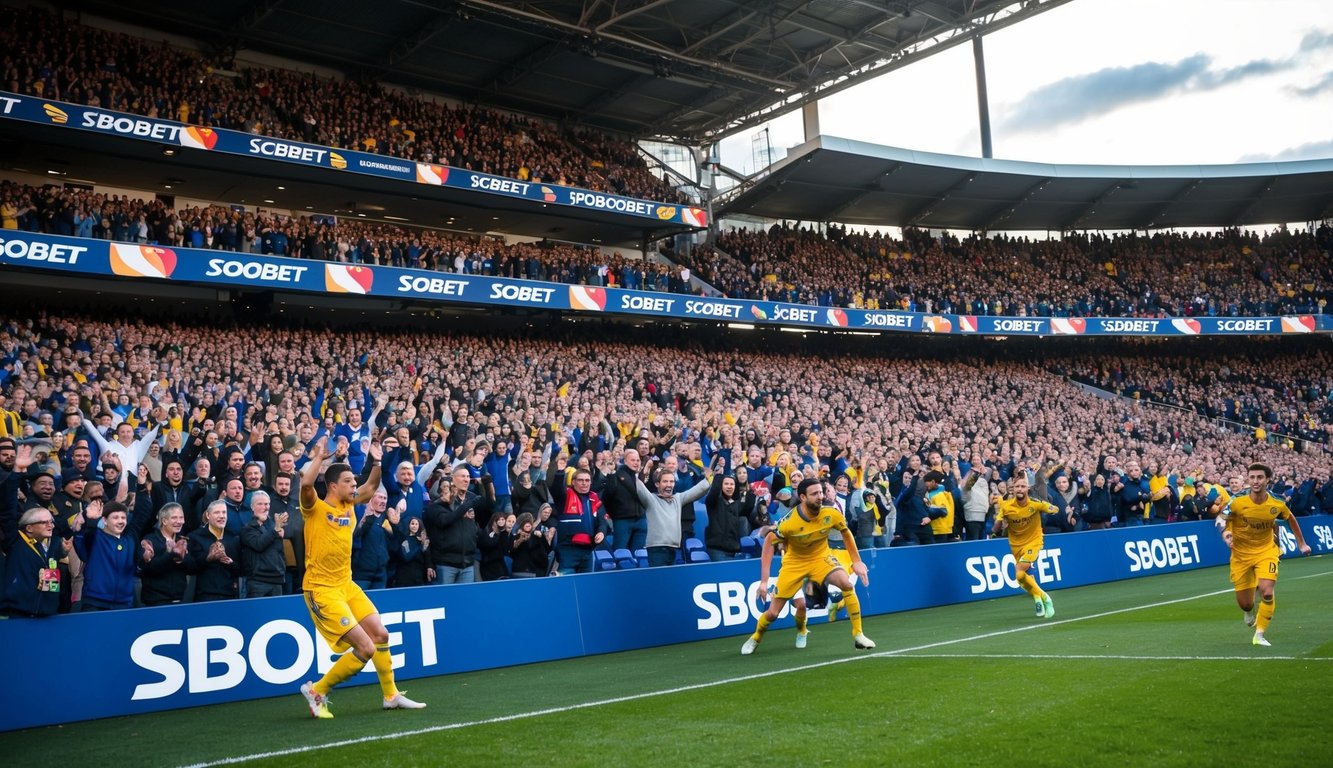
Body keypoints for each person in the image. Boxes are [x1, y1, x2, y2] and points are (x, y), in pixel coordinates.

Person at [297, 436, 425, 717]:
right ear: (332, 485)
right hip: (321, 589)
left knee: (380, 634)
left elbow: (370, 485)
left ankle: (390, 695)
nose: (354, 484)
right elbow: (306, 485)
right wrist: (319, 457)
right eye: (347, 481)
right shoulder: (315, 508)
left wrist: (377, 461)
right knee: (365, 648)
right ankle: (317, 690)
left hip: (346, 584)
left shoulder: (350, 505)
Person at [741, 478, 874, 655]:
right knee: (772, 613)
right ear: (803, 497)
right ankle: (756, 637)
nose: (820, 497)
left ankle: (858, 635)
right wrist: (764, 581)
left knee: (847, 584)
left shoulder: (831, 513)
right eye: (814, 494)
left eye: (821, 492)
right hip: (794, 564)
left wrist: (856, 561)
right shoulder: (789, 522)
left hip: (821, 558)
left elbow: (845, 532)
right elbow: (769, 542)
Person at [1215, 462, 1313, 647]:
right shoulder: (1237, 501)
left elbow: (1291, 519)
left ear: (1267, 480)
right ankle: (1249, 610)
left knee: (1267, 591)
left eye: (1259, 477)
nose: (1255, 481)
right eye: (1252, 477)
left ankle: (1259, 635)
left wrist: (1302, 543)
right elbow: (1221, 518)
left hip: (1266, 550)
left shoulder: (1277, 502)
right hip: (1241, 555)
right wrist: (1226, 534)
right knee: (1245, 604)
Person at [991, 475, 1060, 618]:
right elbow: (996, 527)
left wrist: (1052, 508)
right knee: (1020, 578)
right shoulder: (1006, 506)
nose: (1020, 489)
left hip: (1033, 542)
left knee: (1020, 569)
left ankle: (1046, 598)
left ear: (1027, 488)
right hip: (1016, 545)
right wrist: (998, 523)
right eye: (1017, 486)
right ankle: (1038, 597)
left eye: (1023, 486)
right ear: (1013, 489)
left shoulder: (1035, 504)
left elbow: (1053, 509)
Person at [2, 507, 64, 617]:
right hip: (19, 613)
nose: (51, 526)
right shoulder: (15, 542)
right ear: (29, 528)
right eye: (44, 522)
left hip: (47, 613)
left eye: (51, 522)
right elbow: (7, 513)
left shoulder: (53, 545)